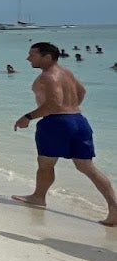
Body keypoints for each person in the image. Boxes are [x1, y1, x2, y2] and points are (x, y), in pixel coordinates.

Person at [12, 42, 117, 226]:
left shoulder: (47, 77)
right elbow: (82, 91)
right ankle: (114, 208)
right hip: (79, 120)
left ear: (47, 57)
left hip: (56, 123)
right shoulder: (66, 72)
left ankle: (38, 197)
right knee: (87, 167)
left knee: (45, 164)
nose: (28, 58)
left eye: (33, 55)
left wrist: (28, 117)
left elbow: (54, 103)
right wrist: (72, 107)